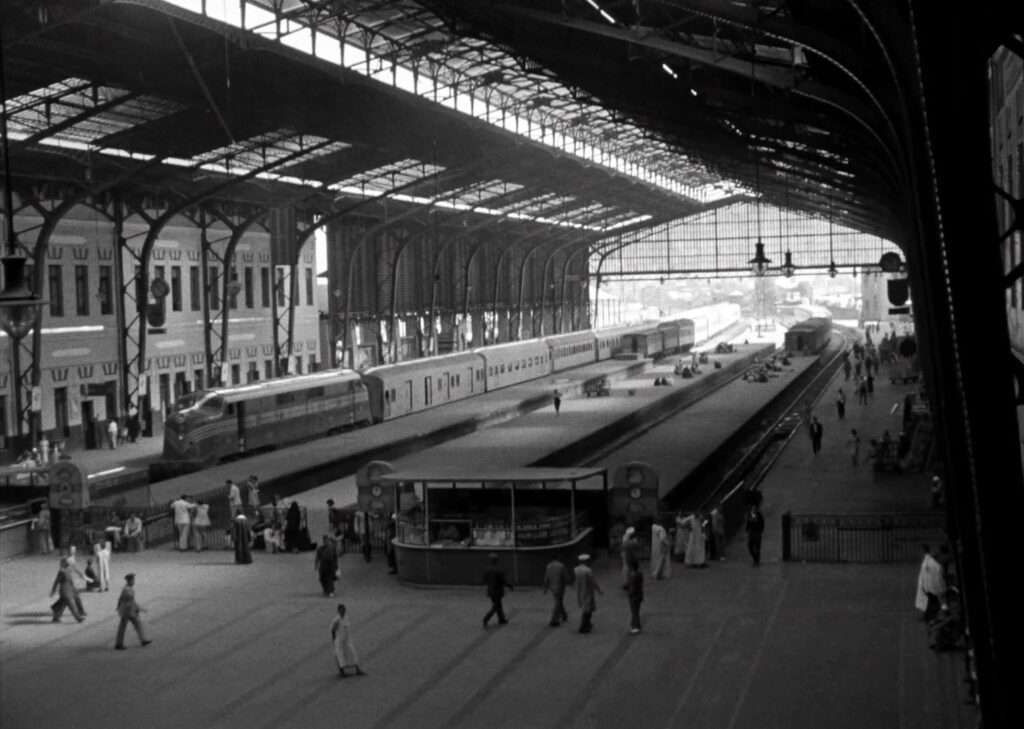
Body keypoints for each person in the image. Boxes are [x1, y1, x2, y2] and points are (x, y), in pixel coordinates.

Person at [114, 573, 151, 649]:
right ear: (130, 581)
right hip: (127, 611)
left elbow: (121, 600)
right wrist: (138, 609)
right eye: (133, 580)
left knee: (131, 626)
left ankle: (142, 640)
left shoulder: (126, 588)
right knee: (131, 625)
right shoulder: (128, 590)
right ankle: (119, 643)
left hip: (127, 610)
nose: (134, 581)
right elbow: (130, 602)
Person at [331, 604, 365, 677]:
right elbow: (333, 631)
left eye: (344, 610)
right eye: (341, 610)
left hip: (347, 640)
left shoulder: (346, 617)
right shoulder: (337, 620)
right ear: (338, 611)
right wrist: (334, 641)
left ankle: (357, 669)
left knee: (352, 654)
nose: (343, 611)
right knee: (340, 656)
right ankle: (342, 672)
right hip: (339, 641)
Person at [915, 544, 946, 622]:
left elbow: (928, 573)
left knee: (931, 601)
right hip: (929, 585)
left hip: (930, 585)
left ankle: (932, 616)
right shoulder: (930, 560)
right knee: (930, 601)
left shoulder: (930, 560)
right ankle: (929, 616)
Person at [482, 553, 514, 627]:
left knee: (498, 605)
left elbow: (484, 580)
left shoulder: (488, 570)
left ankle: (501, 619)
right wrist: (510, 586)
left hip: (491, 591)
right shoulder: (499, 570)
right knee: (496, 606)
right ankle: (486, 618)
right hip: (498, 591)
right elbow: (503, 581)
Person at [542, 555, 574, 627]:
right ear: (558, 558)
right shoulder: (561, 566)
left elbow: (546, 578)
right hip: (560, 586)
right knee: (558, 602)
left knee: (559, 600)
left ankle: (564, 614)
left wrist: (545, 588)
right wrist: (571, 584)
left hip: (552, 587)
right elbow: (566, 576)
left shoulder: (548, 566)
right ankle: (554, 619)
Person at [574, 554, 602, 634]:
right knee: (587, 611)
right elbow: (593, 582)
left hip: (580, 591)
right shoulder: (588, 571)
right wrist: (599, 590)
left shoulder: (576, 569)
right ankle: (583, 626)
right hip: (588, 592)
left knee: (586, 608)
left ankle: (588, 624)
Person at [50, 558, 85, 623]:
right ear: (63, 563)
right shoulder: (61, 571)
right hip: (65, 590)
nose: (68, 564)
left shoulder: (68, 570)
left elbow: (71, 580)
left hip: (70, 590)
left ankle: (56, 617)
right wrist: (53, 591)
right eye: (67, 562)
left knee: (63, 604)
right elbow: (56, 582)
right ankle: (78, 618)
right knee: (71, 604)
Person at [625, 559, 644, 634]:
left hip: (634, 596)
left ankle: (636, 626)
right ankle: (634, 624)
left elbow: (632, 587)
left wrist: (629, 594)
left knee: (634, 611)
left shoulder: (632, 575)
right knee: (636, 610)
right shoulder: (639, 573)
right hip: (639, 595)